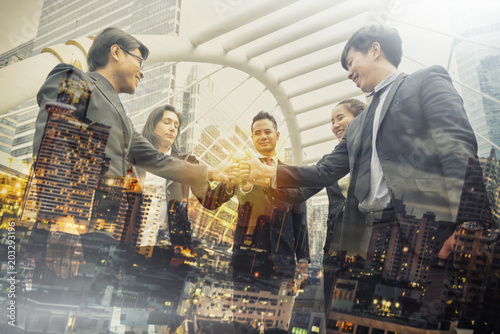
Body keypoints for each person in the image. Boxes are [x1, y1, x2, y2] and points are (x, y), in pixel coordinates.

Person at [247, 25, 478, 330]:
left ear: (374, 49)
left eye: (350, 62)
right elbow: (323, 172)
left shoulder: (425, 81)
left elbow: (457, 146)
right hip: (365, 243)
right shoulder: (357, 127)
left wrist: (470, 223)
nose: (348, 73)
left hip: (423, 235)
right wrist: (269, 174)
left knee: (425, 323)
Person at [29, 27, 229, 278]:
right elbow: (53, 142)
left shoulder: (123, 120)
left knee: (90, 313)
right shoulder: (75, 79)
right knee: (50, 310)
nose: (142, 71)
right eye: (138, 60)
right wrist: (62, 217)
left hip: (102, 238)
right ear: (115, 52)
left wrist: (210, 172)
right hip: (68, 229)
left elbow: (156, 159)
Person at [208, 111, 314, 332]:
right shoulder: (242, 169)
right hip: (246, 261)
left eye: (267, 131)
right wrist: (223, 180)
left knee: (277, 327)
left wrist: (302, 261)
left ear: (277, 135)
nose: (263, 136)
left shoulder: (291, 174)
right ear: (252, 137)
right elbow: (214, 199)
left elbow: (299, 221)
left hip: (282, 263)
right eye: (257, 133)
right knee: (243, 325)